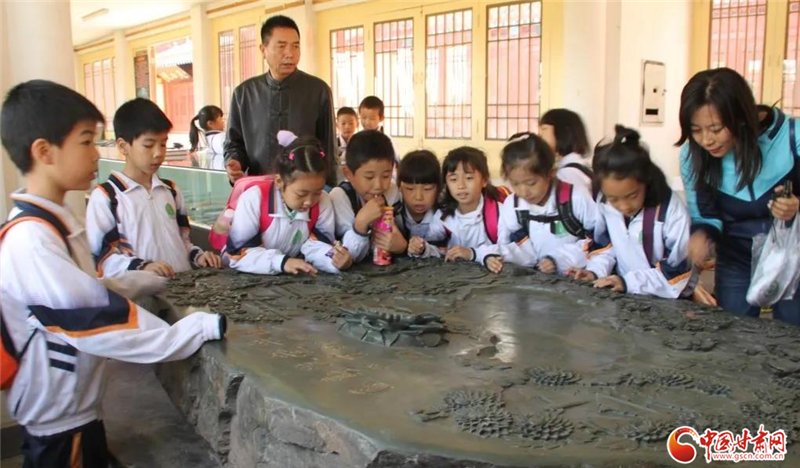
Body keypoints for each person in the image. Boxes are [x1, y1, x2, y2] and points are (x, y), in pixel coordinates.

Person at [0, 79, 226, 468]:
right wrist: (189, 331)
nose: (95, 153)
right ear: (44, 152)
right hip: (59, 422)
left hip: (78, 412)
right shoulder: (32, 239)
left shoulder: (54, 224)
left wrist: (142, 281)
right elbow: (91, 314)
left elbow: (87, 290)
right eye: (86, 141)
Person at [678, 68, 800, 323]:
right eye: (696, 130)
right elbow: (705, 215)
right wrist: (701, 236)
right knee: (733, 332)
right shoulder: (693, 157)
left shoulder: (792, 137)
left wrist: (796, 206)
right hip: (736, 259)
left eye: (715, 128)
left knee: (792, 334)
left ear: (741, 117)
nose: (706, 140)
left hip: (793, 257)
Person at [86, 98, 222, 280]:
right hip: (142, 292)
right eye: (148, 145)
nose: (158, 153)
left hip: (182, 287)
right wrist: (142, 267)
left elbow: (182, 241)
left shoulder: (171, 190)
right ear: (123, 146)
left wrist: (198, 256)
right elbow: (101, 258)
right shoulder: (107, 197)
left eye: (163, 144)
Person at [569, 126, 697, 300]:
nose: (624, 206)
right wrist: (594, 272)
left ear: (646, 182)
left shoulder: (671, 211)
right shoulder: (604, 202)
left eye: (632, 196)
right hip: (625, 293)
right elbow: (603, 247)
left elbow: (676, 274)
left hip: (668, 300)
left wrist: (628, 282)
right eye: (614, 198)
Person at [224, 15, 337, 186]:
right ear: (263, 50)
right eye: (281, 46)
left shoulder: (318, 90)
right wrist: (234, 161)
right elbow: (234, 143)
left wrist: (330, 189)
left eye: (295, 46)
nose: (290, 54)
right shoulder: (244, 94)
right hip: (259, 189)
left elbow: (329, 148)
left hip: (305, 191)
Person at [226, 133, 346, 275]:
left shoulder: (323, 201)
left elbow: (319, 244)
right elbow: (238, 254)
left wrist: (334, 259)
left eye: (317, 192)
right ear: (279, 181)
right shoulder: (254, 199)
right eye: (301, 194)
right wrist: (281, 262)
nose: (309, 201)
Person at [492, 132, 599, 275]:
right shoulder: (512, 205)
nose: (524, 192)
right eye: (515, 184)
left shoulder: (575, 198)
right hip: (532, 279)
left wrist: (559, 260)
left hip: (574, 277)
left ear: (551, 173)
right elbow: (505, 245)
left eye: (531, 183)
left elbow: (598, 241)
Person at [329, 130, 405, 264]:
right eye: (369, 177)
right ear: (348, 174)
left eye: (386, 175)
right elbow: (349, 256)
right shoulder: (340, 197)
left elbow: (400, 234)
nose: (378, 185)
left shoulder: (392, 192)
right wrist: (361, 224)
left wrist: (402, 246)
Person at [439, 147, 510, 270]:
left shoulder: (499, 214)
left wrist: (473, 254)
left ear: (484, 180)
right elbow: (435, 248)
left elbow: (509, 249)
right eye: (453, 179)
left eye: (469, 178)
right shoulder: (443, 215)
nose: (461, 186)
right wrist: (422, 248)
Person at [396, 150, 449, 258]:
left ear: (439, 188)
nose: (418, 197)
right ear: (399, 187)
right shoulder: (394, 213)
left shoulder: (446, 214)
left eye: (427, 189)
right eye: (410, 189)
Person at [536, 108, 593, 193]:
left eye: (544, 129)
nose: (539, 135)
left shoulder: (567, 174)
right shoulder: (579, 166)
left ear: (562, 132)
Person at [189, 105, 225, 170]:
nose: (223, 121)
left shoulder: (209, 140)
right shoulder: (220, 138)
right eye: (220, 119)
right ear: (210, 123)